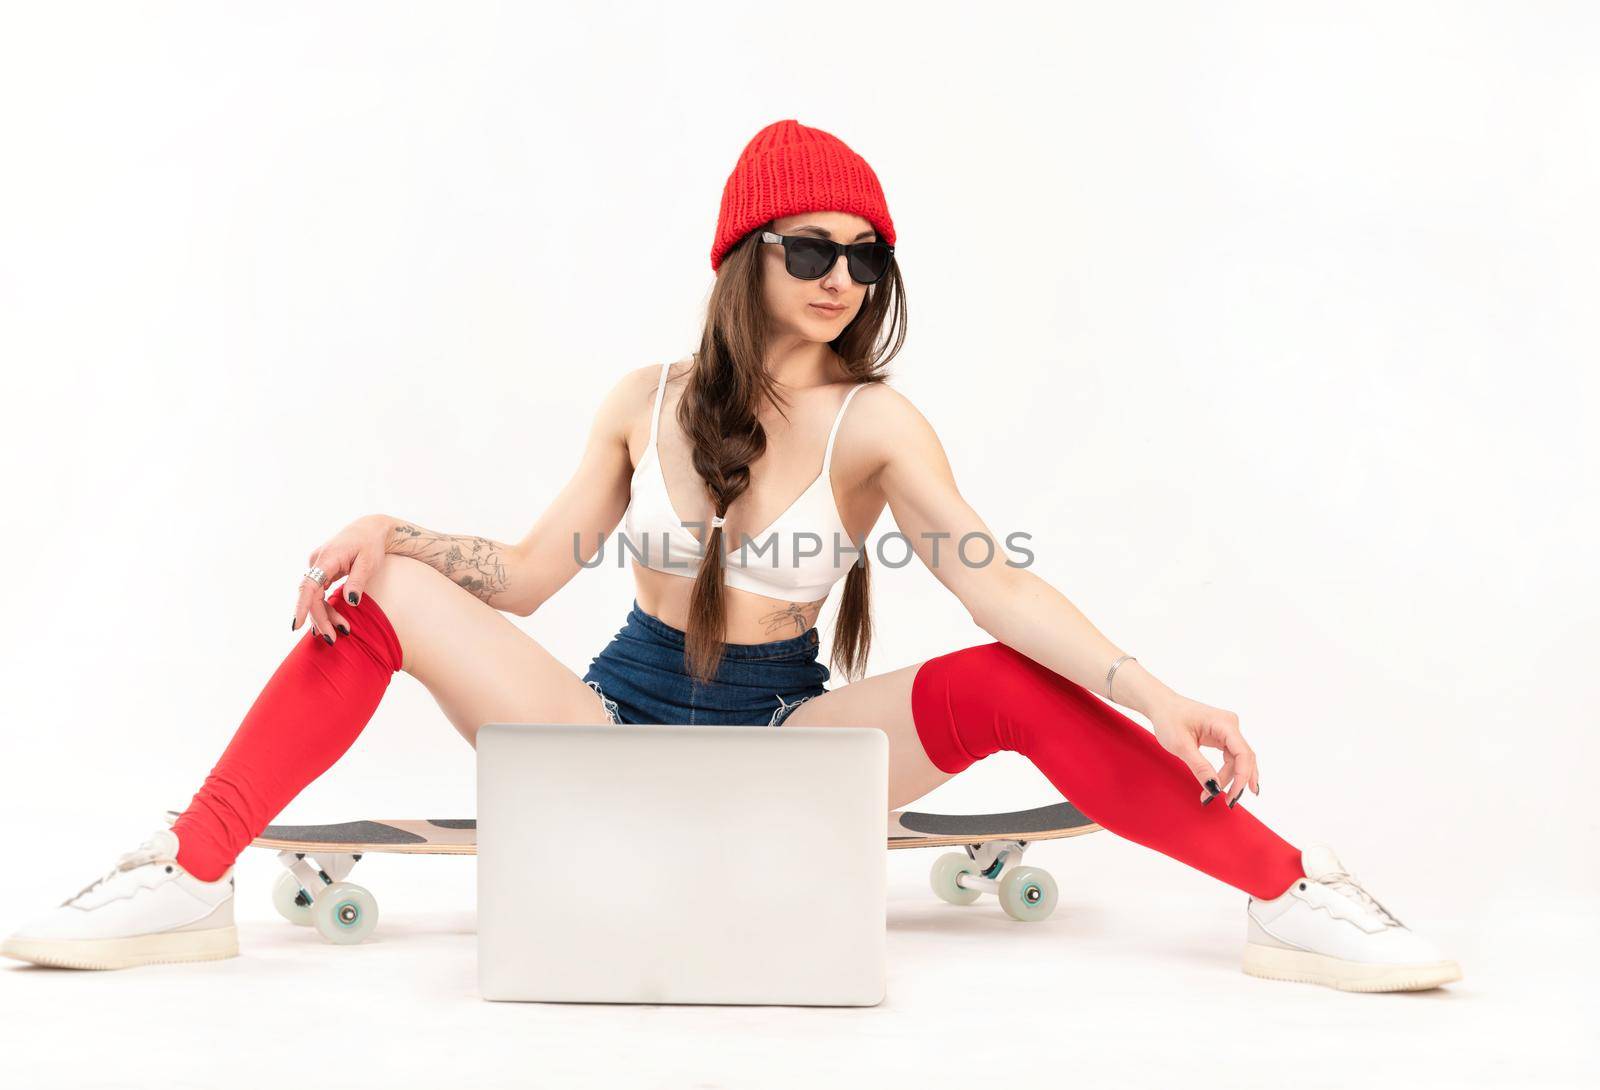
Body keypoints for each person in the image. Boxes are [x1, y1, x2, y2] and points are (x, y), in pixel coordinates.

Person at [2, 119, 1461, 992]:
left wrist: (1162, 692)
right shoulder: (642, 403)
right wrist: (400, 533)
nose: (840, 279)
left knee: (996, 677)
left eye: (865, 258)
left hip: (781, 729)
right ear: (742, 257)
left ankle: (1287, 891)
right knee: (375, 586)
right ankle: (189, 875)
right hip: (609, 722)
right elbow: (516, 578)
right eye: (809, 249)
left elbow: (991, 577)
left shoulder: (877, 423)